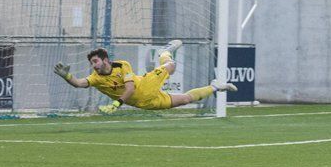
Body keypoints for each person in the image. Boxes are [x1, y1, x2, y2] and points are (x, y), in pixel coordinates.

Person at [53, 40, 236, 113]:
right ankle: (215, 86)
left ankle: (164, 52)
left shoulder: (122, 65)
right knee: (185, 99)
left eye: (95, 61)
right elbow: (78, 83)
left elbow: (131, 88)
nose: (93, 65)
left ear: (105, 60)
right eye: (92, 63)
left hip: (146, 85)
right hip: (145, 103)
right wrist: (67, 76)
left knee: (170, 66)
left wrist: (116, 104)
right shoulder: (96, 78)